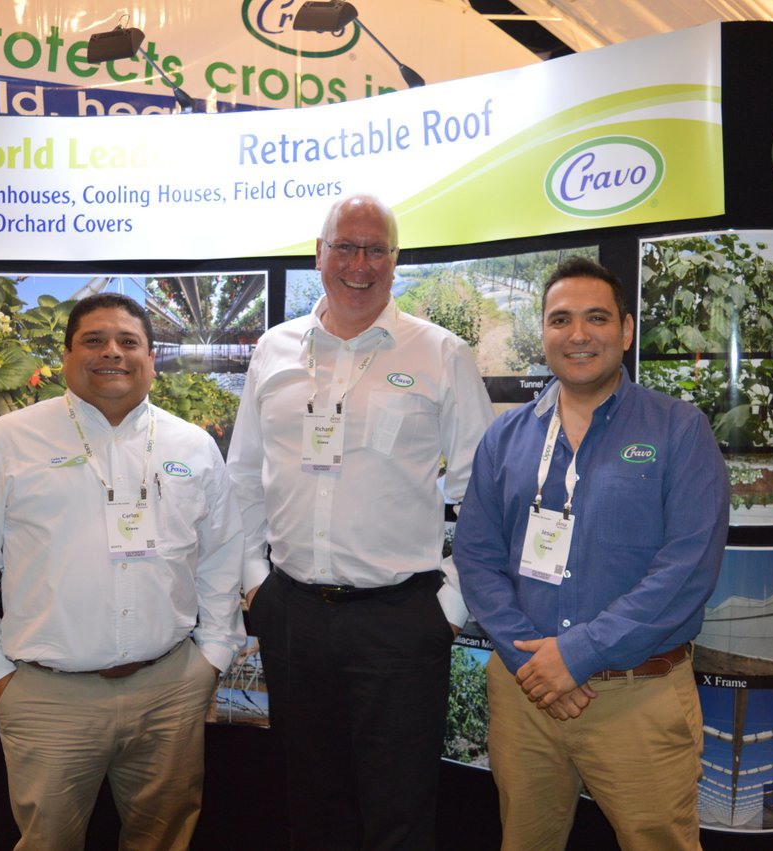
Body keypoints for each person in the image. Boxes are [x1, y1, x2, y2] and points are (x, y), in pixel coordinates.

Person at [227, 194, 494, 850]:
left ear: (396, 260)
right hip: (291, 614)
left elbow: (485, 495)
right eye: (345, 247)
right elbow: (242, 478)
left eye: (376, 250)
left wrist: (450, 606)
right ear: (318, 254)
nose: (359, 264)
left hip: (400, 621)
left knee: (399, 813)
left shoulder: (442, 353)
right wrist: (256, 584)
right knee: (312, 806)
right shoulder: (274, 349)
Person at [0, 293, 244, 851]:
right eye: (94, 340)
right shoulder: (7, 441)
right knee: (48, 842)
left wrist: (214, 654)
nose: (112, 352)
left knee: (164, 839)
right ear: (66, 356)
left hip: (170, 689)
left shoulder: (193, 445)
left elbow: (221, 554)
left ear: (151, 358)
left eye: (129, 341)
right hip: (48, 697)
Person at [453, 257, 729, 851]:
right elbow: (475, 557)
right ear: (544, 333)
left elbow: (687, 568)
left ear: (626, 331)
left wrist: (577, 655)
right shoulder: (505, 437)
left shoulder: (679, 430)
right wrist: (531, 660)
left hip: (638, 699)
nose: (578, 334)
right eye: (561, 320)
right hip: (526, 693)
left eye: (596, 318)